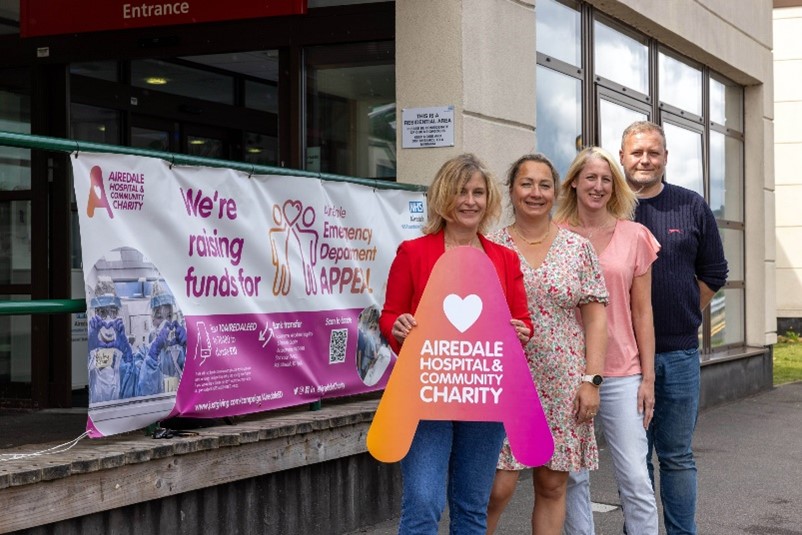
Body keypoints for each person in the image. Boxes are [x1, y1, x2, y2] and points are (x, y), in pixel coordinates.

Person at [378, 153, 534, 534]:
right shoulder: (413, 253)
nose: (470, 201)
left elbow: (524, 323)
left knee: (470, 508)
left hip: (483, 395)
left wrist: (522, 333)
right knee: (423, 504)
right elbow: (389, 314)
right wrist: (396, 328)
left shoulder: (505, 259)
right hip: (426, 393)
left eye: (478, 192)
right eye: (461, 192)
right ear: (444, 197)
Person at [485, 154, 608, 535]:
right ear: (511, 190)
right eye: (526, 184)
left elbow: (596, 318)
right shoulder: (491, 246)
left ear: (556, 191)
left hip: (562, 382)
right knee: (497, 487)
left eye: (544, 185)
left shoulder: (577, 248)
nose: (535, 193)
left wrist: (592, 379)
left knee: (552, 484)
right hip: (506, 382)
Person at [620, 121, 728, 535]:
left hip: (679, 354)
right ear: (622, 157)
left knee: (677, 455)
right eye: (636, 152)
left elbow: (714, 272)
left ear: (665, 158)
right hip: (625, 359)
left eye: (653, 152)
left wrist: (686, 312)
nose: (645, 160)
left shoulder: (691, 205)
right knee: (635, 458)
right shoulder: (611, 208)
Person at [555, 147, 660, 534]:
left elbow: (642, 313)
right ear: (575, 183)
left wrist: (648, 378)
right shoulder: (554, 235)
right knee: (573, 477)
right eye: (590, 178)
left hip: (621, 372)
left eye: (606, 179)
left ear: (614, 186)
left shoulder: (636, 236)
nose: (598, 186)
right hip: (567, 371)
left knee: (635, 476)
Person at [87, 278, 137, 403]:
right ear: (95, 313)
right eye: (103, 312)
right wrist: (87, 350)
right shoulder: (91, 353)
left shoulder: (126, 352)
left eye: (113, 312)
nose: (108, 318)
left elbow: (134, 394)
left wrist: (127, 355)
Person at [136, 281, 187, 397]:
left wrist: (190, 346)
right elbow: (144, 392)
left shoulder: (180, 350)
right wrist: (153, 353)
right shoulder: (144, 353)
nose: (165, 322)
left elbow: (196, 379)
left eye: (169, 316)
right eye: (159, 317)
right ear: (152, 319)